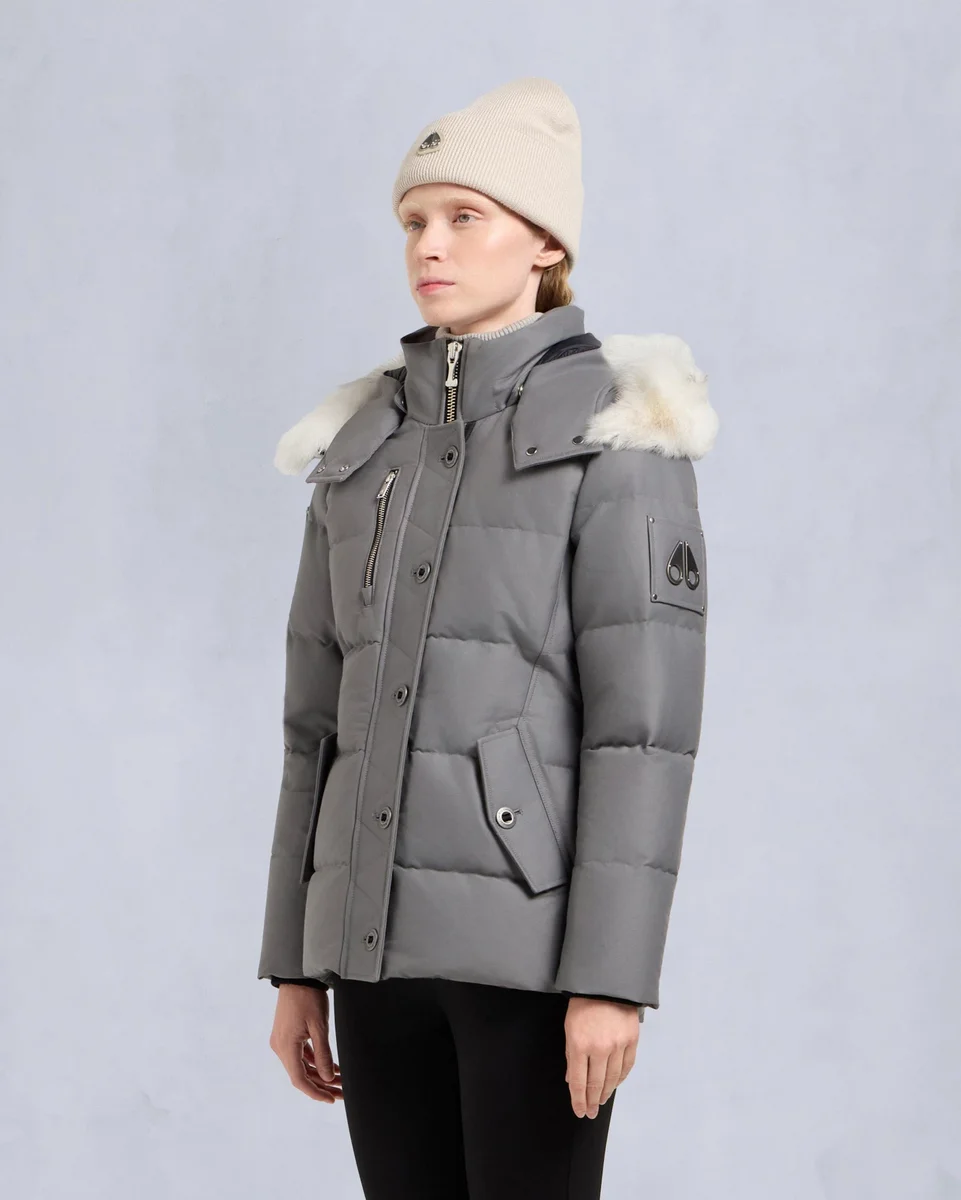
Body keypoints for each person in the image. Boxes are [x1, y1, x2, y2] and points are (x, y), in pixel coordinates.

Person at [257, 76, 718, 1199]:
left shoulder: (618, 439)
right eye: (414, 219)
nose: (430, 245)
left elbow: (641, 736)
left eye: (465, 216)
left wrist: (611, 978)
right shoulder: (361, 447)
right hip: (369, 956)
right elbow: (313, 725)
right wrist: (295, 964)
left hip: (531, 959)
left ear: (544, 241)